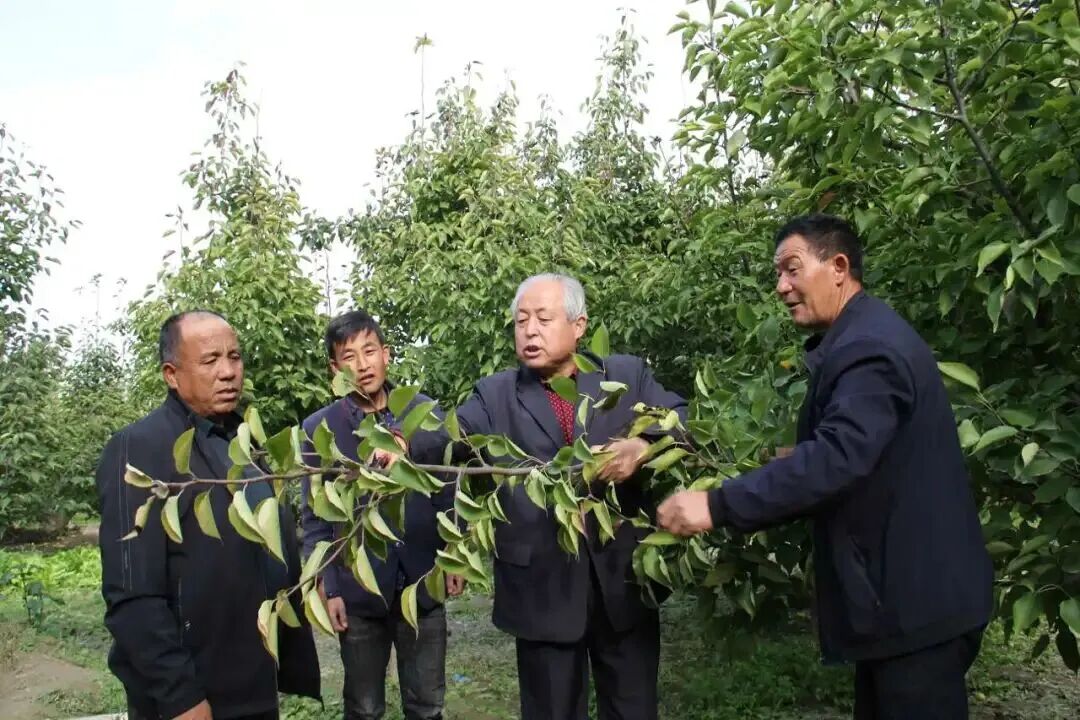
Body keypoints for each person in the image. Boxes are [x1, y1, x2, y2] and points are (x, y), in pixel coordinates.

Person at [657, 214, 993, 719]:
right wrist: (794, 458)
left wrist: (716, 505)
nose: (781, 286)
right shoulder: (864, 334)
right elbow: (866, 448)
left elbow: (837, 458)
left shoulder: (868, 349)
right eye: (778, 273)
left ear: (838, 267)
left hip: (916, 610)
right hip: (905, 606)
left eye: (792, 269)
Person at [409, 273, 688, 720]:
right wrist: (400, 443)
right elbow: (449, 435)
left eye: (542, 318)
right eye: (521, 321)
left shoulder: (624, 376)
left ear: (579, 326)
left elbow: (680, 419)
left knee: (633, 708)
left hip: (623, 584)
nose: (530, 331)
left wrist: (643, 446)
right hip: (542, 588)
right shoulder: (495, 395)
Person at [95, 310, 320, 720]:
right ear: (172, 374)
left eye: (234, 357)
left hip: (252, 685)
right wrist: (180, 696)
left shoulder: (243, 444)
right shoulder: (140, 448)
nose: (228, 372)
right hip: (192, 696)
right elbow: (131, 594)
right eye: (210, 360)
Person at [299, 310, 461, 720]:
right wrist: (329, 586)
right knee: (364, 707)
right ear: (335, 368)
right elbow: (316, 517)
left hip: (422, 582)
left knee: (427, 704)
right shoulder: (320, 430)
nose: (362, 364)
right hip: (359, 592)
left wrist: (454, 554)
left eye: (370, 351)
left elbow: (447, 487)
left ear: (386, 354)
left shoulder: (422, 412)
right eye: (349, 356)